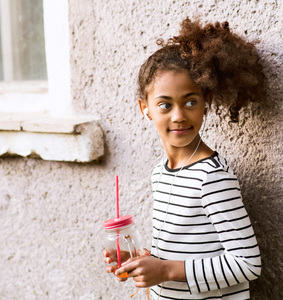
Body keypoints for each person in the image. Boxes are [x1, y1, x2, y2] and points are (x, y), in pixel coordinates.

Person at [103, 17, 265, 300]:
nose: (178, 115)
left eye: (190, 101)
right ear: (146, 109)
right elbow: (184, 252)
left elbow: (247, 264)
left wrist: (165, 271)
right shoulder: (160, 173)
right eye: (165, 104)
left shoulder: (212, 178)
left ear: (206, 103)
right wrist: (143, 263)